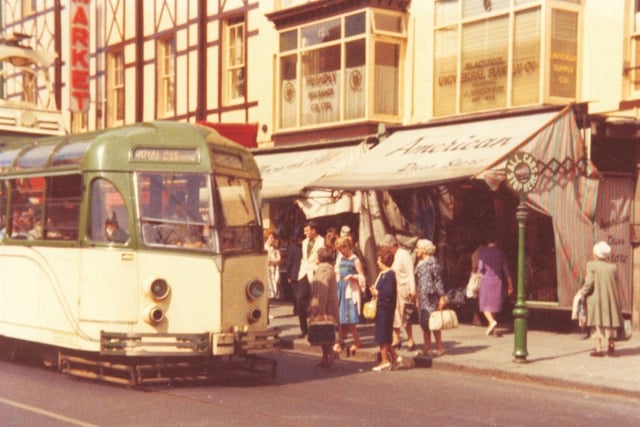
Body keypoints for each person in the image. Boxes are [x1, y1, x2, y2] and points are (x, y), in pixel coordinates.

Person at [578, 241, 624, 357]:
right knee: (611, 321)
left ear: (596, 254)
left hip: (596, 298)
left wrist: (582, 293)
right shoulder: (613, 267)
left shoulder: (591, 265)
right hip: (611, 298)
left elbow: (589, 283)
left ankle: (598, 349)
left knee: (597, 322)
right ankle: (611, 345)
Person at [382, 234, 417, 350]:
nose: (386, 249)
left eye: (387, 247)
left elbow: (410, 272)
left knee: (406, 315)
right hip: (393, 288)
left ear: (392, 245)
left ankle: (410, 339)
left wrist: (413, 289)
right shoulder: (390, 256)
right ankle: (396, 338)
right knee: (394, 315)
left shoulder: (403, 254)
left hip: (403, 288)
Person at [308, 247, 340, 368]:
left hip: (325, 307)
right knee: (323, 333)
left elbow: (322, 291)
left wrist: (320, 309)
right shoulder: (326, 269)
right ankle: (325, 357)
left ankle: (330, 354)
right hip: (327, 305)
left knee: (324, 331)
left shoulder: (323, 270)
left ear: (320, 258)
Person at [415, 239, 447, 356]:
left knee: (434, 321)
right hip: (422, 296)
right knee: (424, 322)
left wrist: (442, 296)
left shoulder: (432, 262)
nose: (416, 250)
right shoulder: (419, 263)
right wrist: (417, 297)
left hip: (431, 296)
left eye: (418, 248)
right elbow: (418, 282)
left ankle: (439, 347)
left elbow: (438, 280)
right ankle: (427, 347)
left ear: (424, 250)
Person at [370, 245, 399, 371]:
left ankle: (385, 361)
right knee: (385, 334)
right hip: (383, 307)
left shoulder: (389, 275)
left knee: (382, 334)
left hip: (385, 309)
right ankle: (395, 357)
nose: (377, 262)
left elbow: (387, 292)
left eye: (378, 259)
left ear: (383, 260)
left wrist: (376, 292)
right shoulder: (383, 274)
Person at [335, 236, 366, 356]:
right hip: (340, 288)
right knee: (341, 318)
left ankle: (357, 340)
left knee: (349, 318)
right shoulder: (341, 258)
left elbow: (362, 277)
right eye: (340, 249)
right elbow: (337, 271)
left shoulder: (355, 260)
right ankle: (341, 341)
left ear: (348, 246)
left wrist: (353, 277)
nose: (342, 251)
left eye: (343, 248)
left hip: (349, 290)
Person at [478, 233, 514, 336]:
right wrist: (510, 284)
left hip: (486, 280)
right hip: (498, 281)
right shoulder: (501, 253)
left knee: (484, 305)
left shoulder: (483, 252)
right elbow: (506, 270)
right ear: (496, 241)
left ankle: (491, 321)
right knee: (493, 304)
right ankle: (492, 327)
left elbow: (481, 268)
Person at [296, 221, 324, 338]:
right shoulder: (304, 242)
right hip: (304, 273)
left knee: (316, 302)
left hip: (315, 273)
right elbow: (304, 259)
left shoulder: (321, 241)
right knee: (299, 300)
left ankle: (315, 329)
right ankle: (304, 329)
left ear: (313, 230)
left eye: (307, 230)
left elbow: (321, 257)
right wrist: (300, 273)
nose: (305, 233)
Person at [285, 233, 302, 315]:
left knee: (295, 293)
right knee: (299, 292)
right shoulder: (301, 248)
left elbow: (289, 262)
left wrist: (288, 275)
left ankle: (297, 309)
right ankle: (298, 309)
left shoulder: (291, 249)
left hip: (293, 273)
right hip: (301, 273)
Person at [264, 230, 281, 299]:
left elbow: (279, 259)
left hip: (274, 269)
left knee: (275, 281)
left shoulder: (275, 249)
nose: (273, 239)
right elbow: (265, 261)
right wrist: (273, 261)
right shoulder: (263, 248)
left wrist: (271, 261)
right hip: (266, 270)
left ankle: (274, 296)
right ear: (266, 238)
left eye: (273, 238)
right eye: (271, 238)